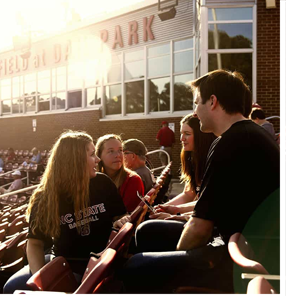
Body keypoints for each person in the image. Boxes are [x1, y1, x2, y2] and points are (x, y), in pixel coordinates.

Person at [117, 69, 279, 293]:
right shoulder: (251, 135)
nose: (194, 113)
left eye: (196, 103)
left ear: (213, 101)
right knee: (147, 231)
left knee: (135, 267)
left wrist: (176, 256)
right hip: (242, 244)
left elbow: (200, 228)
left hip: (240, 255)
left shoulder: (230, 142)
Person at [4, 131, 130, 293]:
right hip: (66, 265)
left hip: (99, 265)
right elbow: (35, 243)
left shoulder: (103, 183)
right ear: (74, 161)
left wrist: (120, 221)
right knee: (10, 288)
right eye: (92, 155)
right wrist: (42, 282)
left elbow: (121, 215)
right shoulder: (45, 197)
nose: (98, 160)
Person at [135, 113, 216, 252]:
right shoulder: (191, 158)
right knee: (147, 222)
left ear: (201, 136)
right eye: (181, 133)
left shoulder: (212, 160)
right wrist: (165, 207)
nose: (181, 138)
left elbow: (209, 204)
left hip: (207, 225)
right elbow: (188, 194)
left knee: (147, 230)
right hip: (194, 216)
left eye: (187, 134)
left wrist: (177, 213)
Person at [96, 134, 144, 213]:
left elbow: (125, 217)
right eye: (111, 151)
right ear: (99, 155)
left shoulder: (133, 180)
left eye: (120, 150)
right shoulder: (94, 179)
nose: (118, 155)